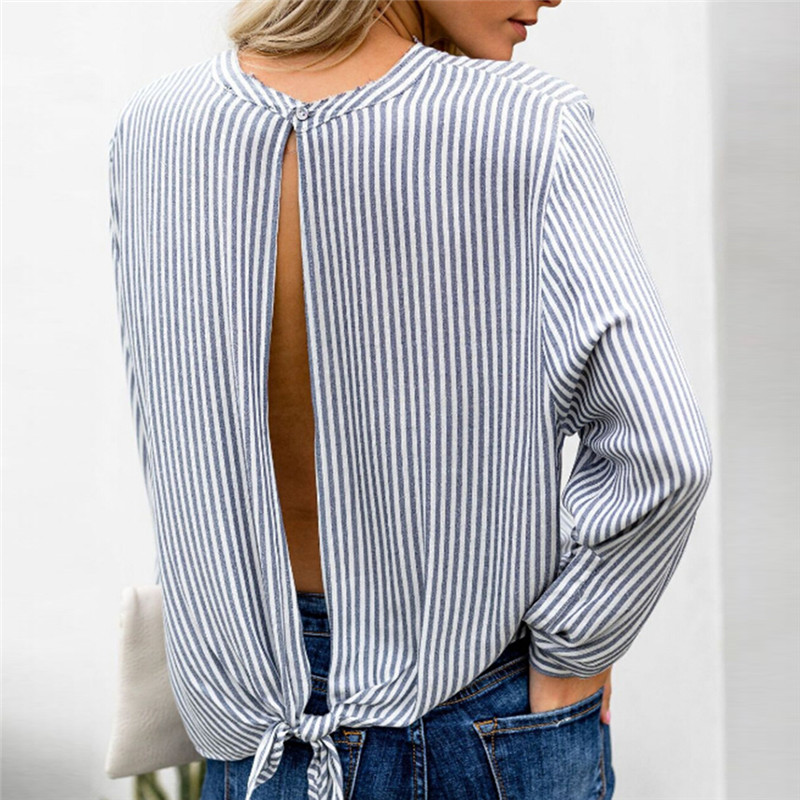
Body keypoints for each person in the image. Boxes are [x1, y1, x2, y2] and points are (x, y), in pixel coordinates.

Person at [107, 1, 713, 798]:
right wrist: (576, 650)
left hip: (257, 747)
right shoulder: (528, 126)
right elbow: (664, 452)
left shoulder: (154, 129)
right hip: (482, 726)